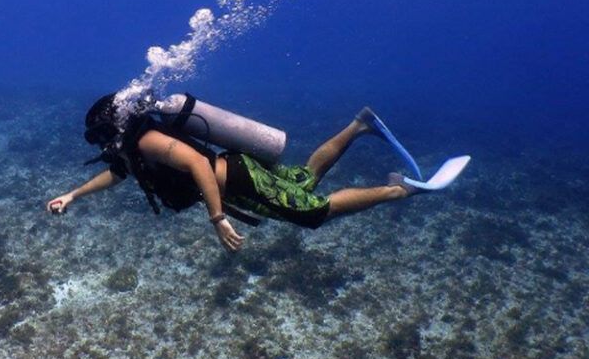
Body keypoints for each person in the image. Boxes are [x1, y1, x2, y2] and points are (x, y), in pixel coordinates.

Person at [47, 93, 420, 252]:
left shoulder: (146, 141)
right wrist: (73, 195)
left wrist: (218, 219)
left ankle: (400, 189)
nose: (101, 143)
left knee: (315, 213)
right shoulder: (133, 149)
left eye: (100, 135)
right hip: (241, 174)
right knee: (304, 180)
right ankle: (359, 125)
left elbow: (196, 163)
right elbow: (117, 174)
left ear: (112, 124)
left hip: (243, 181)